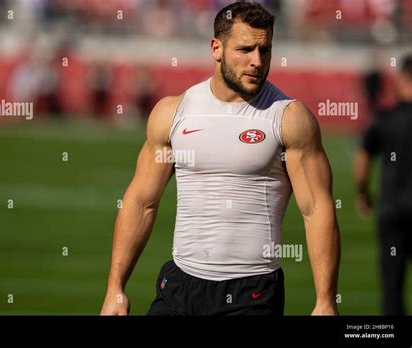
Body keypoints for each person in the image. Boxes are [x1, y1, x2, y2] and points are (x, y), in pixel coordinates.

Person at [101, 1, 340, 316]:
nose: (257, 61)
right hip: (178, 288)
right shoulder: (173, 112)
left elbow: (316, 210)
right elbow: (141, 202)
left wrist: (325, 301)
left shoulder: (288, 117)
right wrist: (115, 288)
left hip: (251, 293)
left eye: (264, 50)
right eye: (245, 50)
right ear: (216, 48)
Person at [354, 54, 412, 315]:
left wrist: (363, 193)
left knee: (392, 287)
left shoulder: (385, 118)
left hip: (391, 212)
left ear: (402, 78)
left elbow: (363, 157)